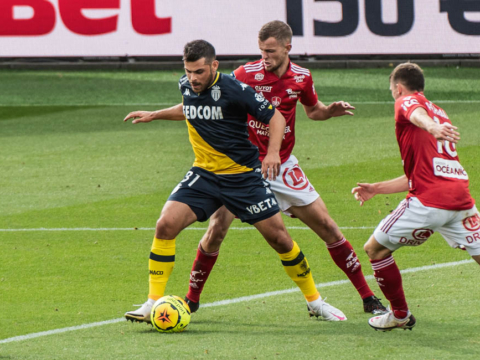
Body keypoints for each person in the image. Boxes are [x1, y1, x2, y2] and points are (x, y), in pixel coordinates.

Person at [123, 39, 347, 324]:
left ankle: (315, 302)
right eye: (189, 71)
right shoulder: (187, 84)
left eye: (200, 72)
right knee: (165, 225)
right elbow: (188, 107)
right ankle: (152, 302)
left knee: (280, 239)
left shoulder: (235, 89)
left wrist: (273, 154)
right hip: (204, 175)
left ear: (214, 66)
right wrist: (154, 115)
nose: (193, 78)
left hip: (242, 178)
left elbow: (276, 118)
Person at [183, 21, 386, 315]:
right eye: (261, 50)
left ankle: (368, 298)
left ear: (287, 48)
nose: (264, 56)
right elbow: (211, 102)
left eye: (270, 51)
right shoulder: (244, 75)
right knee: (216, 229)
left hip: (281, 166)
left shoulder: (302, 77)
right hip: (241, 168)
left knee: (328, 227)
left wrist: (330, 111)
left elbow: (313, 110)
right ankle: (191, 300)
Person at [352, 62, 480, 331]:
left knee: (374, 249)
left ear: (398, 87)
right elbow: (419, 174)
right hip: (461, 201)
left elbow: (415, 112)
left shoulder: (408, 102)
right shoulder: (441, 113)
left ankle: (399, 314)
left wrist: (430, 127)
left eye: (391, 90)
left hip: (429, 202)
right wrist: (377, 187)